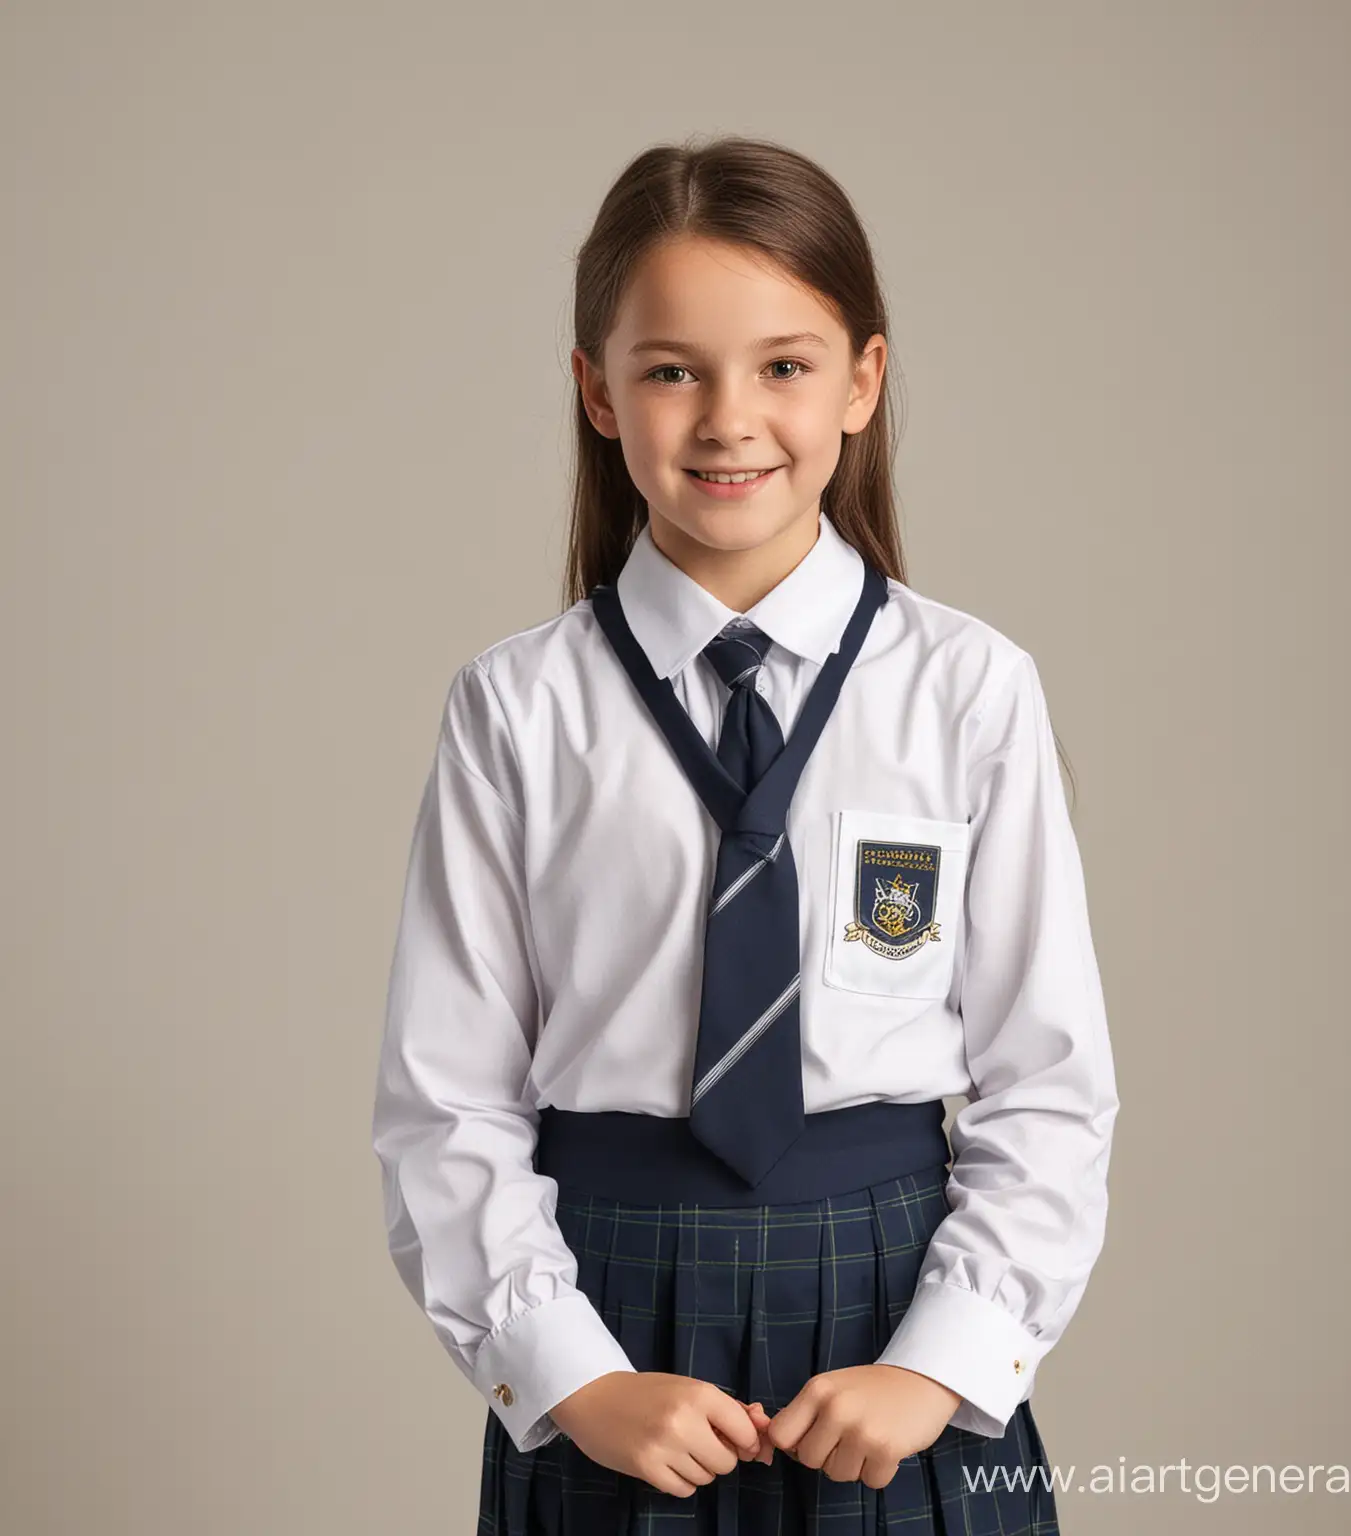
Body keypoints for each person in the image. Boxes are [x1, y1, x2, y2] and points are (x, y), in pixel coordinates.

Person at [371, 133, 1119, 1536]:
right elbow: (445, 1099)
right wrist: (570, 1376)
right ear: (598, 392)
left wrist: (940, 1366)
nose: (729, 419)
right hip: (609, 1317)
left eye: (784, 365)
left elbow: (1048, 1085)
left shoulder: (968, 691)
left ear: (863, 381)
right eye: (671, 370)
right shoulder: (518, 708)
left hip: (899, 1316)